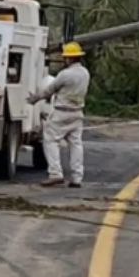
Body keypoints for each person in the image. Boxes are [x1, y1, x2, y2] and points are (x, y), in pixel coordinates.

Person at [27, 41, 90, 188]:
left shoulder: (65, 75)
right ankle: (77, 178)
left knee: (50, 140)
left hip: (62, 112)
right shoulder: (85, 73)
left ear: (69, 58)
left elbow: (50, 90)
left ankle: (55, 173)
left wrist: (35, 98)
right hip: (77, 113)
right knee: (76, 144)